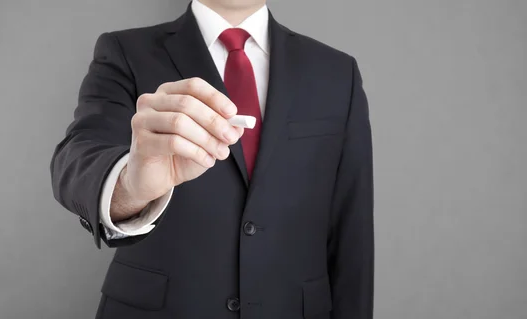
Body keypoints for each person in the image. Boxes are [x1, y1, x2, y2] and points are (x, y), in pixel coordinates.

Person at [50, 0, 374, 318]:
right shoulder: (124, 51)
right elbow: (79, 157)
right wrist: (132, 185)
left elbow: (352, 229)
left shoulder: (336, 71)